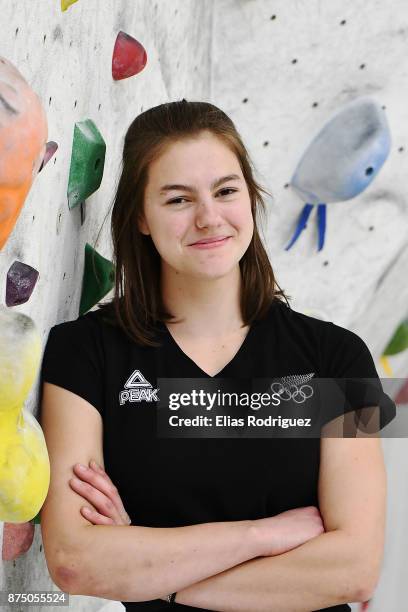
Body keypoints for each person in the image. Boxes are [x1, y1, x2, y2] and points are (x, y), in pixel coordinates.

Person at [39, 100, 395, 612]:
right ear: (140, 215)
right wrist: (262, 536)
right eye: (178, 199)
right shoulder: (83, 354)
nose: (209, 218)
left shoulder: (337, 358)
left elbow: (354, 570)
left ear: (249, 198)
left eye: (226, 191)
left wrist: (157, 577)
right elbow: (76, 561)